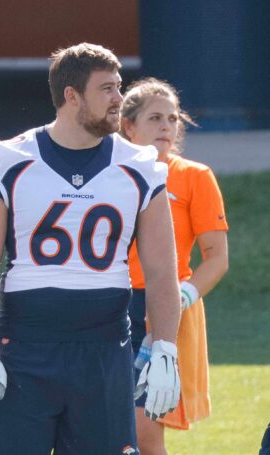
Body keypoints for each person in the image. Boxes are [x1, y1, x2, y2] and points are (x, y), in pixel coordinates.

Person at [0, 43, 182, 454]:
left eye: (119, 87)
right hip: (25, 347)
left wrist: (165, 347)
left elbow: (161, 272)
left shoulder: (140, 166)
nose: (119, 99)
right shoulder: (7, 159)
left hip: (105, 348)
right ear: (71, 96)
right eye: (107, 89)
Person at [121, 77, 229, 455]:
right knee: (106, 431)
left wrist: (182, 295)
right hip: (107, 307)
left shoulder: (194, 177)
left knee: (144, 433)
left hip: (164, 310)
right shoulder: (108, 175)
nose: (166, 126)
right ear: (128, 125)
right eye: (154, 118)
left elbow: (216, 258)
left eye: (172, 118)